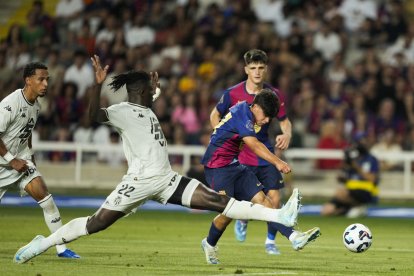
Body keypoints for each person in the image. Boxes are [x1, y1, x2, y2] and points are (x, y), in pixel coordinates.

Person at [13, 55, 302, 264]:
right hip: (138, 182)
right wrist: (97, 86)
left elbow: (151, 96)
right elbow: (92, 117)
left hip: (166, 180)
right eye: (152, 90)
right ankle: (45, 243)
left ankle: (279, 216)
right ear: (140, 92)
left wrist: (155, 86)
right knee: (96, 224)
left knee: (221, 203)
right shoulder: (123, 110)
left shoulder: (147, 108)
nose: (156, 92)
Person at [202, 88, 320, 264]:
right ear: (255, 106)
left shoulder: (248, 111)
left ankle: (294, 237)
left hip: (234, 166)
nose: (265, 121)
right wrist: (278, 162)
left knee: (265, 202)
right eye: (265, 116)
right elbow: (254, 145)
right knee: (228, 214)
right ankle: (209, 243)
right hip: (217, 167)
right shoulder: (242, 113)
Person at [210, 49, 307, 255]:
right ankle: (243, 220)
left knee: (274, 199)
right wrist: (223, 138)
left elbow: (284, 120)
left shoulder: (273, 95)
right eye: (253, 68)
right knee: (242, 204)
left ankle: (270, 242)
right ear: (246, 70)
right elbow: (215, 115)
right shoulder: (233, 94)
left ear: (266, 69)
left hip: (265, 153)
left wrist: (286, 134)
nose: (257, 72)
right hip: (242, 156)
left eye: (261, 68)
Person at [0, 62, 79, 259]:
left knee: (47, 200)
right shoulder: (10, 104)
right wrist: (11, 160)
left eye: (47, 80)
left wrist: (29, 155)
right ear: (28, 80)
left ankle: (61, 249)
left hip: (19, 163)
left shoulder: (36, 105)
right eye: (41, 79)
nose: (45, 84)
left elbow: (27, 131)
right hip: (5, 162)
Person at [321, 133, 380, 218]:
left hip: (364, 191)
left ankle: (358, 206)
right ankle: (352, 209)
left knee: (340, 193)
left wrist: (355, 166)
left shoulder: (371, 159)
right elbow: (347, 178)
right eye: (360, 141)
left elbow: (372, 179)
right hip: (349, 192)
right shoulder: (352, 160)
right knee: (326, 211)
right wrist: (343, 176)